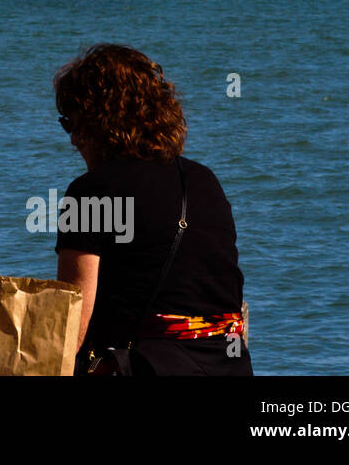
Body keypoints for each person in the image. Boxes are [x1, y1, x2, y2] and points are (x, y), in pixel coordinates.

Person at [53, 44, 252, 375]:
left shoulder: (89, 193)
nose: (72, 139)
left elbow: (72, 327)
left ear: (97, 122)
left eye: (70, 123)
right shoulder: (203, 182)